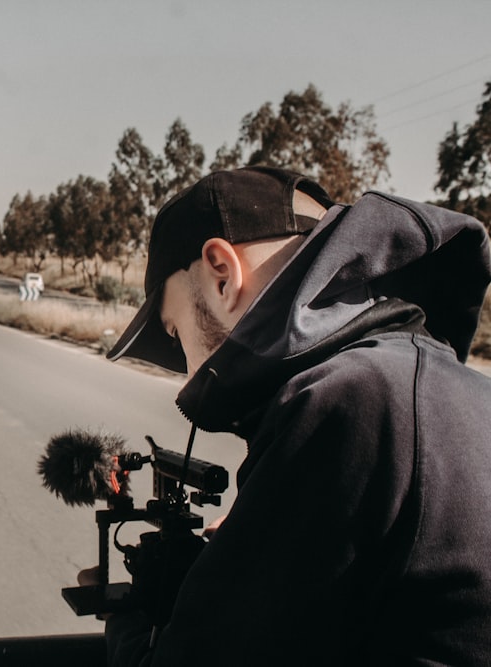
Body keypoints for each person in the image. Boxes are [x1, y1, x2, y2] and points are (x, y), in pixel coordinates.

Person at [99, 166, 491, 665]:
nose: (187, 373)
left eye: (175, 335)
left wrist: (126, 624)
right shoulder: (416, 380)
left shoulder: (353, 401)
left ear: (221, 273)